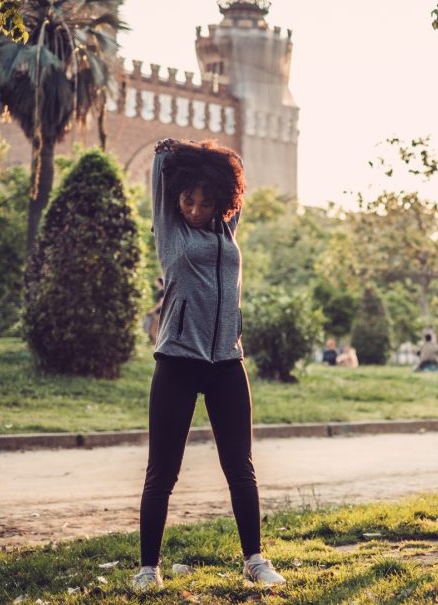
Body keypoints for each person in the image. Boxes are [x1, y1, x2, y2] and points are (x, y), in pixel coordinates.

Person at [132, 139, 285, 591]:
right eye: (188, 199)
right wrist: (171, 151)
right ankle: (148, 569)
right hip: (177, 360)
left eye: (205, 200)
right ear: (177, 198)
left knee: (241, 468)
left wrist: (218, 163)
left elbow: (235, 169)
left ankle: (254, 559)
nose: (196, 208)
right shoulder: (170, 229)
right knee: (162, 471)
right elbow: (160, 175)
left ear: (221, 201)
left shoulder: (226, 228)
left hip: (226, 362)